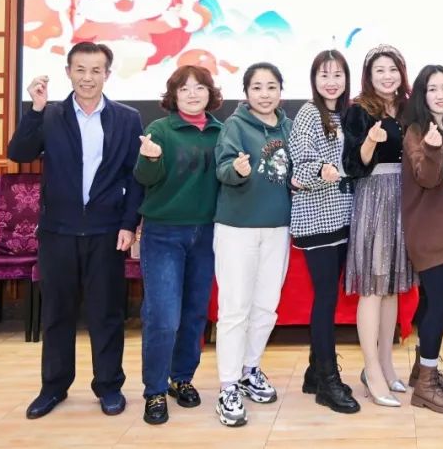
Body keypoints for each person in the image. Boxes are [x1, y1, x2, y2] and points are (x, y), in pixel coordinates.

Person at [8, 41, 143, 420]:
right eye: (80, 69)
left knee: (107, 314)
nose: (87, 77)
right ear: (68, 72)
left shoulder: (127, 118)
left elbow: (135, 178)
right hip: (58, 232)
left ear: (107, 74)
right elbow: (18, 153)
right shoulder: (49, 115)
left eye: (96, 70)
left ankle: (109, 386)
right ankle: (53, 386)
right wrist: (34, 109)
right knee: (57, 313)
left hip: (106, 232)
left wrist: (128, 224)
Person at [134, 65, 224, 424]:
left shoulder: (220, 131)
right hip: (164, 234)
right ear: (174, 95)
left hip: (207, 234)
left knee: (194, 313)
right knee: (163, 317)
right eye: (184, 88)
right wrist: (151, 158)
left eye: (199, 87)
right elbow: (145, 178)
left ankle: (181, 378)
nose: (192, 94)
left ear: (210, 93)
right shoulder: (160, 130)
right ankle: (154, 390)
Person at [213, 63, 294, 427]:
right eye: (257, 87)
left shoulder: (289, 127)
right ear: (246, 92)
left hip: (278, 228)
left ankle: (249, 370)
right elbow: (223, 168)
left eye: (271, 86)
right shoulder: (235, 125)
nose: (264, 93)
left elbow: (295, 172)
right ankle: (228, 386)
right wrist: (238, 170)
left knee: (266, 307)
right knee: (235, 309)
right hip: (237, 229)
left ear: (281, 91)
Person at [341, 45, 413, 407]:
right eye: (379, 70)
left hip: (405, 197)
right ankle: (371, 370)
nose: (387, 76)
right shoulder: (358, 110)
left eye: (393, 69)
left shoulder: (408, 108)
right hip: (374, 197)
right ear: (369, 76)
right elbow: (353, 165)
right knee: (372, 287)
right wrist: (370, 140)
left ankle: (386, 363)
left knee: (392, 288)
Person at [289, 50, 360, 414]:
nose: (331, 82)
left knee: (328, 295)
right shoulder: (308, 113)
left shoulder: (345, 114)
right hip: (317, 220)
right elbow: (299, 168)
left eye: (338, 75)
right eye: (324, 75)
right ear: (314, 79)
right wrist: (322, 171)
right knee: (326, 299)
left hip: (342, 217)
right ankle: (328, 382)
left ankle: (314, 373)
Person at [400, 65, 443, 414]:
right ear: (421, 95)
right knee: (440, 304)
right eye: (432, 89)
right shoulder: (417, 132)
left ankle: (421, 369)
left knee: (434, 302)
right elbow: (426, 178)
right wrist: (432, 147)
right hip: (428, 233)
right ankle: (425, 386)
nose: (440, 95)